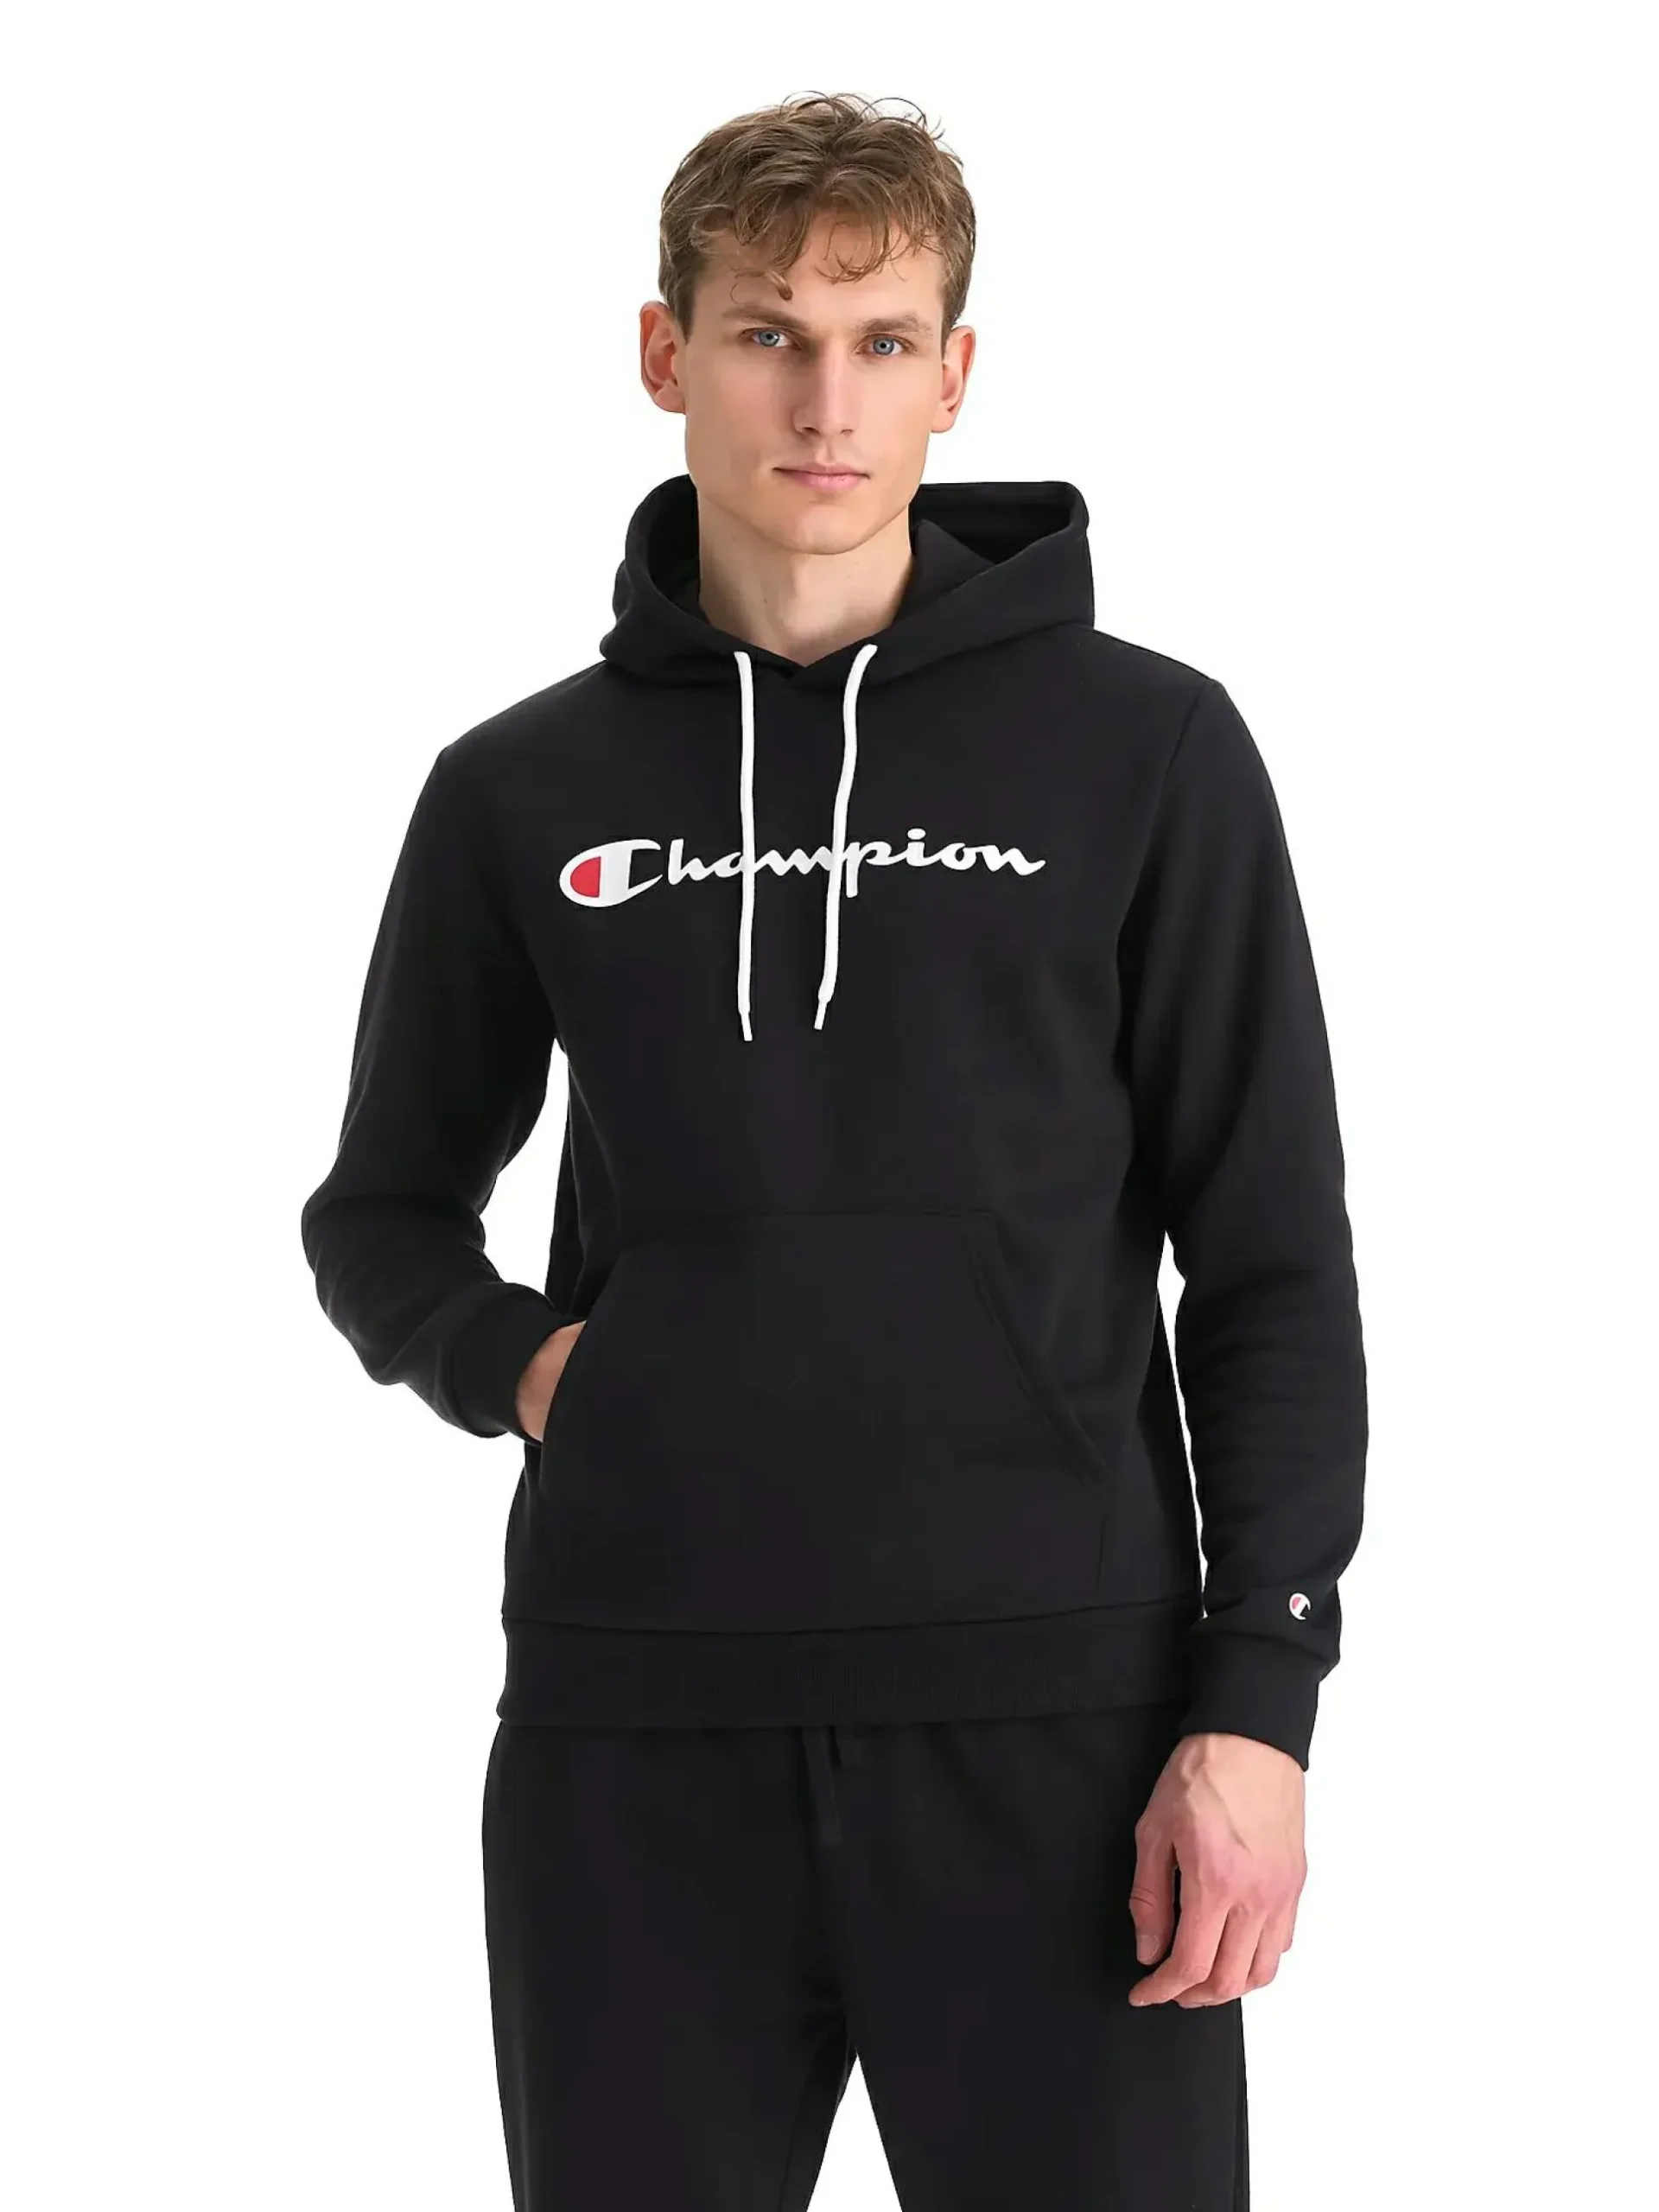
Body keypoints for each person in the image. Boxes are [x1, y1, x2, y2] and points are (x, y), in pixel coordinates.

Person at [299, 89, 1368, 2212]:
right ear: (664, 353)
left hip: (1065, 1721)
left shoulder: (1147, 747)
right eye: (770, 333)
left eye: (882, 342)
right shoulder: (520, 787)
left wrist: (1259, 1700)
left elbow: (1270, 1258)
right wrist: (534, 1369)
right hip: (635, 1732)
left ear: (955, 375)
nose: (825, 400)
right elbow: (383, 1211)